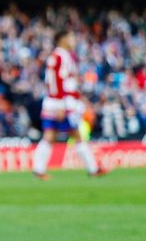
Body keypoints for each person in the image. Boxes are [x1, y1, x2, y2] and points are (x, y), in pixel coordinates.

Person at [32, 30, 104, 179]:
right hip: (60, 104)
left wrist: (80, 98)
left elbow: (67, 83)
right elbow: (54, 81)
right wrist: (60, 103)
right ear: (62, 39)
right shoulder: (58, 56)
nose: (73, 40)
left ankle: (38, 169)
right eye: (70, 37)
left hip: (60, 102)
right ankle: (93, 169)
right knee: (74, 135)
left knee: (51, 135)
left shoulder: (64, 56)